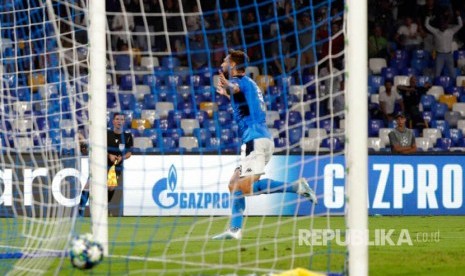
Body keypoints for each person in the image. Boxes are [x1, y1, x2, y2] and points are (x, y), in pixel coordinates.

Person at [211, 49, 317, 240]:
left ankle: (296, 187)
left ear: (233, 65)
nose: (222, 64)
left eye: (225, 61)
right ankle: (235, 230)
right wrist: (227, 93)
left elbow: (234, 88)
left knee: (244, 187)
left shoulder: (239, 82)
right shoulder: (250, 84)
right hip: (260, 139)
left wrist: (228, 87)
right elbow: (242, 100)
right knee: (234, 185)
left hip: (255, 140)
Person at [78, 113, 134, 216]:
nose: (119, 121)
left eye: (121, 119)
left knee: (111, 186)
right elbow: (99, 148)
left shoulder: (127, 136)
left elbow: (129, 153)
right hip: (101, 163)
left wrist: (122, 157)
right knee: (89, 184)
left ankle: (104, 208)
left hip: (115, 166)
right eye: (117, 119)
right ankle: (80, 209)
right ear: (113, 121)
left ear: (124, 121)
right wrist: (109, 155)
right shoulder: (106, 134)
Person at [425, 12, 463, 78]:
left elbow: (460, 25)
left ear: (446, 25)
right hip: (439, 55)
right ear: (439, 25)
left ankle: (454, 86)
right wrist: (428, 17)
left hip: (449, 55)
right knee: (437, 73)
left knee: (452, 73)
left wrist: (458, 16)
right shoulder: (435, 31)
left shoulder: (451, 31)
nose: (442, 26)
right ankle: (436, 87)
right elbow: (427, 25)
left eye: (444, 24)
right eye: (441, 25)